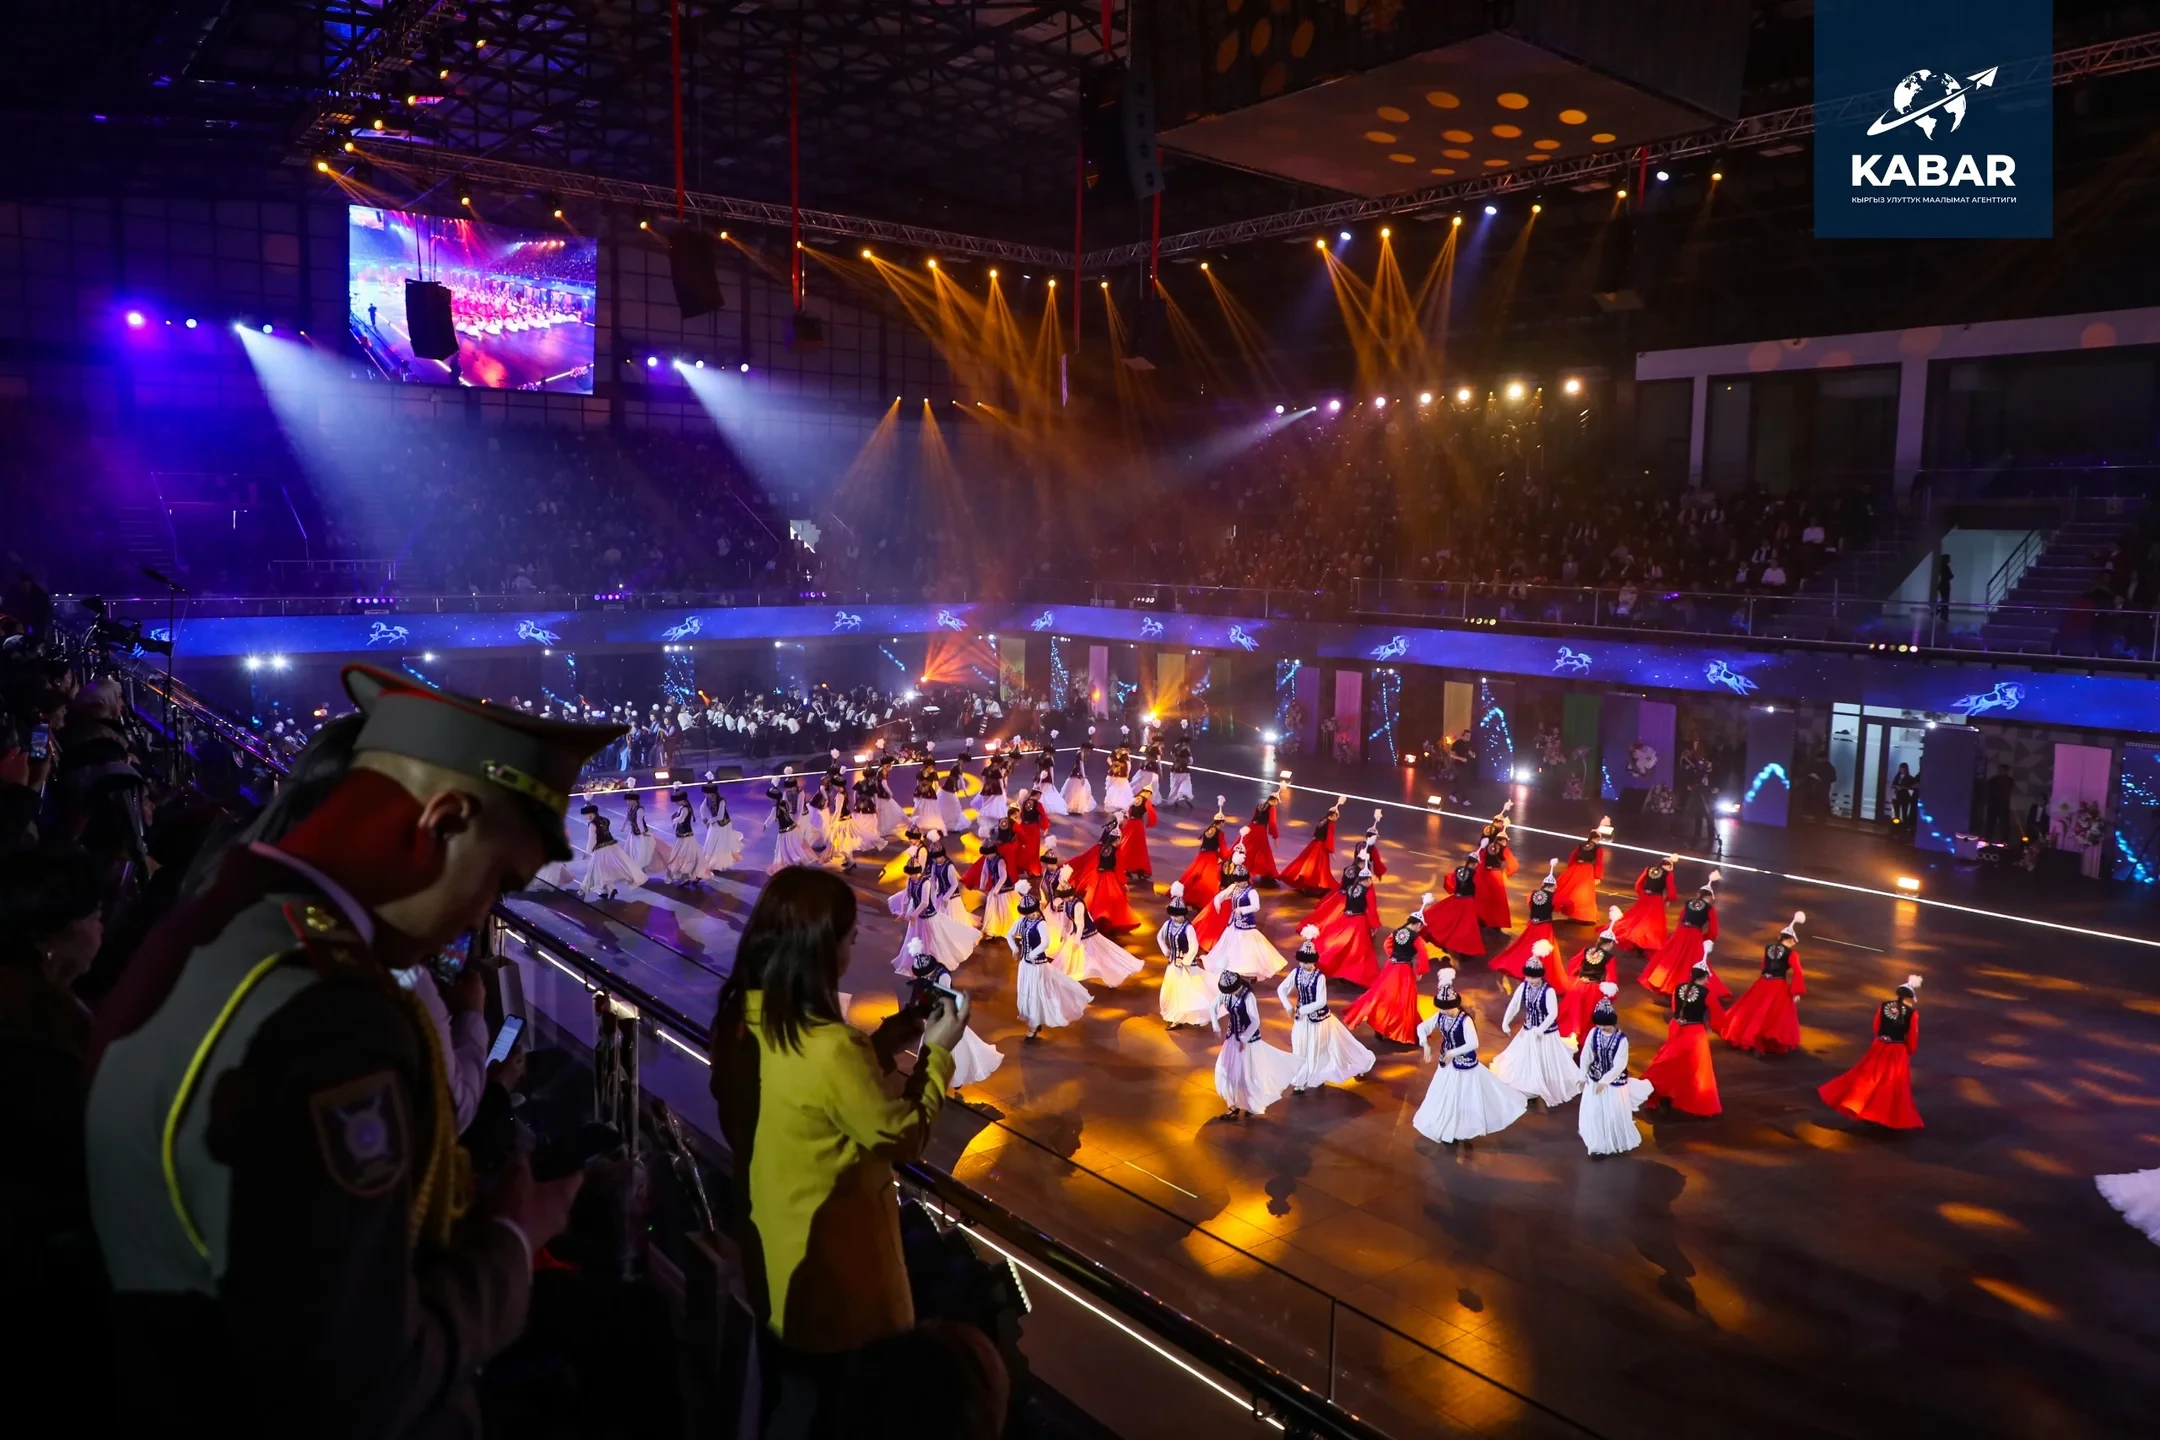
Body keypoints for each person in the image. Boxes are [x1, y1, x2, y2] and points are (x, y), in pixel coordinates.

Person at [87, 662, 617, 1434]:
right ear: (441, 822)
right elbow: (362, 1384)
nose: (480, 918)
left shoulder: (237, 914)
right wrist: (512, 1238)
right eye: (497, 881)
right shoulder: (335, 1015)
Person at [709, 869, 1002, 1435]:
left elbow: (814, 1091)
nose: (851, 949)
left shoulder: (742, 1021)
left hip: (773, 1264)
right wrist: (937, 1053)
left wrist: (891, 1037)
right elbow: (902, 1135)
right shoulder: (828, 1048)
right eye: (848, 939)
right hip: (842, 1289)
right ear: (821, 950)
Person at [0, 852, 107, 1396]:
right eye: (94, 916)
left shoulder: (50, 1004)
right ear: (58, 935)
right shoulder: (36, 1031)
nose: (101, 928)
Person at [1412, 969, 1529, 1144]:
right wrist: (1425, 1044)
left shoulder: (1465, 1020)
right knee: (1446, 1094)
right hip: (1447, 1063)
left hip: (1464, 1064)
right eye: (1442, 1009)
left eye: (1447, 1008)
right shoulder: (1441, 1016)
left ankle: (1461, 1126)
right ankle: (1447, 1124)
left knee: (1464, 1096)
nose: (1444, 1011)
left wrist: (1453, 1052)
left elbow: (1473, 1043)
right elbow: (1422, 1027)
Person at [1818, 974, 1924, 1130]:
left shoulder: (1884, 1006)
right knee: (1892, 1084)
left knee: (1868, 1077)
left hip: (1879, 1046)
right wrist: (1910, 1050)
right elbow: (1912, 1037)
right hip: (1897, 1051)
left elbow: (1876, 1026)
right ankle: (1882, 1115)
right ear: (1909, 998)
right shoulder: (1912, 1014)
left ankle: (1860, 1105)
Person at [1277, 930, 1375, 1091]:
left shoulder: (1319, 977)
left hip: (1319, 1020)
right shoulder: (1296, 973)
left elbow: (1321, 1002)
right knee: (1300, 1046)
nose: (1303, 965)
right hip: (1302, 1020)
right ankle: (1301, 1078)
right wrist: (1288, 1005)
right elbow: (1281, 989)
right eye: (1302, 962)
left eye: (1307, 962)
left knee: (1318, 1049)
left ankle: (1317, 1075)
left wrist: (1302, 1010)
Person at [903, 940, 1004, 1091]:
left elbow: (942, 997)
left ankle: (954, 1076)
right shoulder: (927, 975)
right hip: (934, 1015)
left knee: (951, 1046)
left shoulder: (943, 976)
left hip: (945, 1014)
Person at [1490, 946, 1581, 1108]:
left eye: (1534, 977)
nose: (1530, 980)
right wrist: (1506, 1021)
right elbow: (1514, 1005)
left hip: (1546, 1033)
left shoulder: (1548, 991)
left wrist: (1541, 1029)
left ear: (1540, 976)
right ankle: (1529, 1084)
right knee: (1525, 1058)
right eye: (1528, 977)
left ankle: (1544, 1083)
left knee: (1545, 1060)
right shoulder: (1524, 987)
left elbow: (1553, 1013)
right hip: (1528, 1030)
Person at [1576, 984, 1654, 1157]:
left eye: (1604, 1025)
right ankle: (1598, 1144)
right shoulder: (1594, 1033)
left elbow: (1620, 1064)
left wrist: (1605, 1081)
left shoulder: (1621, 1039)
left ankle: (1611, 1141)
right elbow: (1587, 1055)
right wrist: (1582, 1076)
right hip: (1595, 1078)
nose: (1601, 1028)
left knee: (1612, 1115)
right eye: (1599, 1024)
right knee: (1595, 1113)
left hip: (1613, 1083)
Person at [1007, 880, 1092, 1039]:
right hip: (1025, 964)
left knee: (1036, 992)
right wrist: (1014, 948)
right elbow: (1009, 934)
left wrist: (1033, 953)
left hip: (1038, 965)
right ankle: (1033, 1020)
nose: (1030, 915)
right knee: (1027, 991)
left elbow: (1045, 942)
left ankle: (1034, 1024)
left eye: (1032, 912)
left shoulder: (1041, 924)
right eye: (1027, 913)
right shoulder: (1022, 921)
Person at [1642, 957, 1726, 1117]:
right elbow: (1717, 1015)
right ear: (1705, 977)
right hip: (1694, 1033)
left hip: (1676, 1028)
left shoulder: (1679, 987)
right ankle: (1698, 1103)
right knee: (1696, 1069)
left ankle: (1664, 1093)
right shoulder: (1707, 993)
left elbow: (1675, 1008)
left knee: (1671, 1062)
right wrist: (1717, 1028)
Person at [1211, 971, 1297, 1119]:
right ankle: (1233, 1106)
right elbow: (1213, 1006)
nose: (1227, 994)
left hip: (1248, 1041)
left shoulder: (1248, 996)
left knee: (1247, 1074)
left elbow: (1255, 1021)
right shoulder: (1227, 994)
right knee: (1228, 1072)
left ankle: (1250, 1103)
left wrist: (1244, 1039)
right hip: (1232, 1038)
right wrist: (1216, 1026)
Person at [1718, 912, 1808, 1055]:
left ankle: (1750, 1039)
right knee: (1774, 1015)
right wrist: (1796, 991)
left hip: (1763, 983)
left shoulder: (1768, 948)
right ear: (1790, 939)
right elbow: (1798, 972)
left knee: (1753, 1011)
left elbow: (1764, 966)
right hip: (1777, 985)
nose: (1793, 943)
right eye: (1793, 941)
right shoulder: (1791, 954)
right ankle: (1760, 1041)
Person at [1340, 919, 1428, 1045]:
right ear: (1418, 924)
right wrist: (1419, 971)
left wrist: (1394, 956)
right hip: (1404, 971)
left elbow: (1387, 944)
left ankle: (1380, 1026)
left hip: (1391, 967)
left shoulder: (1397, 932)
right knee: (1404, 1000)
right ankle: (1400, 1030)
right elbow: (1423, 955)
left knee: (1382, 995)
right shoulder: (1416, 938)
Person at [1637, 871, 1723, 995]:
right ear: (1710, 897)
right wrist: (1704, 938)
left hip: (1681, 932)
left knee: (1671, 957)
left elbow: (1681, 918)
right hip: (1694, 935)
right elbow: (1714, 930)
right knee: (1691, 961)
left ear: (1698, 894)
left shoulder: (1688, 903)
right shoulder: (1710, 909)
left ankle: (1662, 981)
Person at [1488, 859, 1561, 982]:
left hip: (1532, 924)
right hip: (1544, 926)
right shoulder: (1554, 897)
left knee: (1525, 944)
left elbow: (1530, 904)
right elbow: (1568, 902)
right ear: (1553, 886)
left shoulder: (1533, 893)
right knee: (1546, 950)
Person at [1155, 883, 1214, 1025]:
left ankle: (1183, 1016)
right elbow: (1159, 937)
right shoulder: (1168, 925)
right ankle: (1175, 1015)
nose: (1176, 918)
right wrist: (1166, 950)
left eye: (1178, 916)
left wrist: (1186, 961)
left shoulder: (1188, 928)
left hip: (1186, 965)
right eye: (1173, 915)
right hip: (1173, 964)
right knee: (1171, 990)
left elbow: (1194, 946)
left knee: (1189, 991)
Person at [1279, 794, 1344, 893]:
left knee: (1307, 862)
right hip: (1321, 846)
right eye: (1336, 817)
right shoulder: (1330, 823)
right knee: (1319, 866)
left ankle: (1306, 882)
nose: (1336, 819)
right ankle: (1315, 884)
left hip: (1314, 844)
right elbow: (1329, 837)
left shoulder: (1322, 820)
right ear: (1332, 816)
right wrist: (1331, 851)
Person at [1610, 855, 1676, 953]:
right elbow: (1672, 892)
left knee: (1638, 919)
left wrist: (1642, 894)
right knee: (1651, 922)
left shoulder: (1648, 869)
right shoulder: (1668, 874)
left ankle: (1635, 938)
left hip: (1644, 898)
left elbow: (1638, 884)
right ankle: (1643, 940)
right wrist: (1668, 899)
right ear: (1669, 866)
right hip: (1656, 900)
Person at [1551, 818, 1610, 922]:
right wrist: (1597, 876)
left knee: (1569, 889)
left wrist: (1570, 869)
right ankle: (1579, 914)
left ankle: (1568, 910)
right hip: (1587, 870)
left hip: (1575, 867)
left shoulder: (1581, 845)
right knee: (1583, 894)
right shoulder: (1598, 848)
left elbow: (1572, 857)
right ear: (1598, 838)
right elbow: (1599, 862)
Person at [1983, 765, 2016, 845]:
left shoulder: (2009, 781)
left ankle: (2005, 839)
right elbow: (1989, 791)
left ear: (2006, 771)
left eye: (2002, 770)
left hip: (2003, 805)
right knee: (1990, 822)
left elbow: (2007, 791)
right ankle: (1988, 837)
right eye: (1999, 770)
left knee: (2004, 823)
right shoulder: (1993, 780)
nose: (2000, 771)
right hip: (1993, 804)